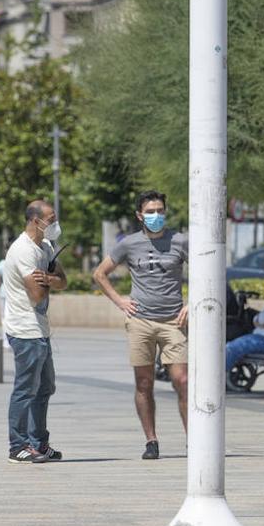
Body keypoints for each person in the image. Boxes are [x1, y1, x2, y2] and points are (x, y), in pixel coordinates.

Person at [93, 191, 189, 460]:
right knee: (144, 383)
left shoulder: (180, 241)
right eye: (150, 211)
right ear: (139, 215)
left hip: (173, 321)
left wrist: (191, 304)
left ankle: (193, 440)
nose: (156, 216)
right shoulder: (129, 244)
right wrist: (120, 301)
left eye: (160, 210)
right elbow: (100, 274)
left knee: (182, 381)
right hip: (140, 321)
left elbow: (209, 271)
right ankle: (151, 440)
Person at [2, 200, 66, 463]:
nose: (55, 223)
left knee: (45, 387)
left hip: (40, 329)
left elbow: (62, 281)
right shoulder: (23, 251)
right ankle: (18, 446)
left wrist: (48, 278)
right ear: (35, 221)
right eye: (51, 219)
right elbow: (37, 296)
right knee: (26, 388)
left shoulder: (46, 246)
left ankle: (39, 442)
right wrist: (48, 282)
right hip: (25, 328)